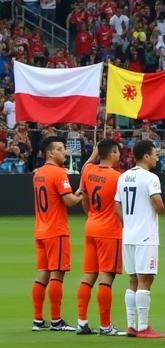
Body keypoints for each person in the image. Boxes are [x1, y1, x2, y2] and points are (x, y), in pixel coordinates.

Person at [31, 135, 83, 332]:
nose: (64, 152)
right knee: (57, 275)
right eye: (60, 149)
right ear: (50, 152)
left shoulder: (38, 174)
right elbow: (69, 201)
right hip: (56, 230)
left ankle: (37, 320)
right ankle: (56, 320)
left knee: (42, 274)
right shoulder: (59, 173)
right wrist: (81, 193)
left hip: (41, 229)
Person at [115, 140, 165, 339]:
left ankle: (131, 325)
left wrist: (127, 223)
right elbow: (158, 205)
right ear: (146, 156)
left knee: (133, 279)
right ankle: (144, 327)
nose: (157, 157)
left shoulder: (123, 177)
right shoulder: (150, 178)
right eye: (154, 154)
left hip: (128, 235)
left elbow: (116, 206)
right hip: (145, 235)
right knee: (146, 279)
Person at [77, 138, 122, 335]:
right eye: (117, 152)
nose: (119, 155)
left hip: (91, 225)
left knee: (88, 276)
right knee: (106, 276)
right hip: (109, 230)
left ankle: (82, 321)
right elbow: (120, 208)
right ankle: (105, 325)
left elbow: (84, 199)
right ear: (112, 153)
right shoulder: (117, 177)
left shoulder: (88, 171)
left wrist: (94, 154)